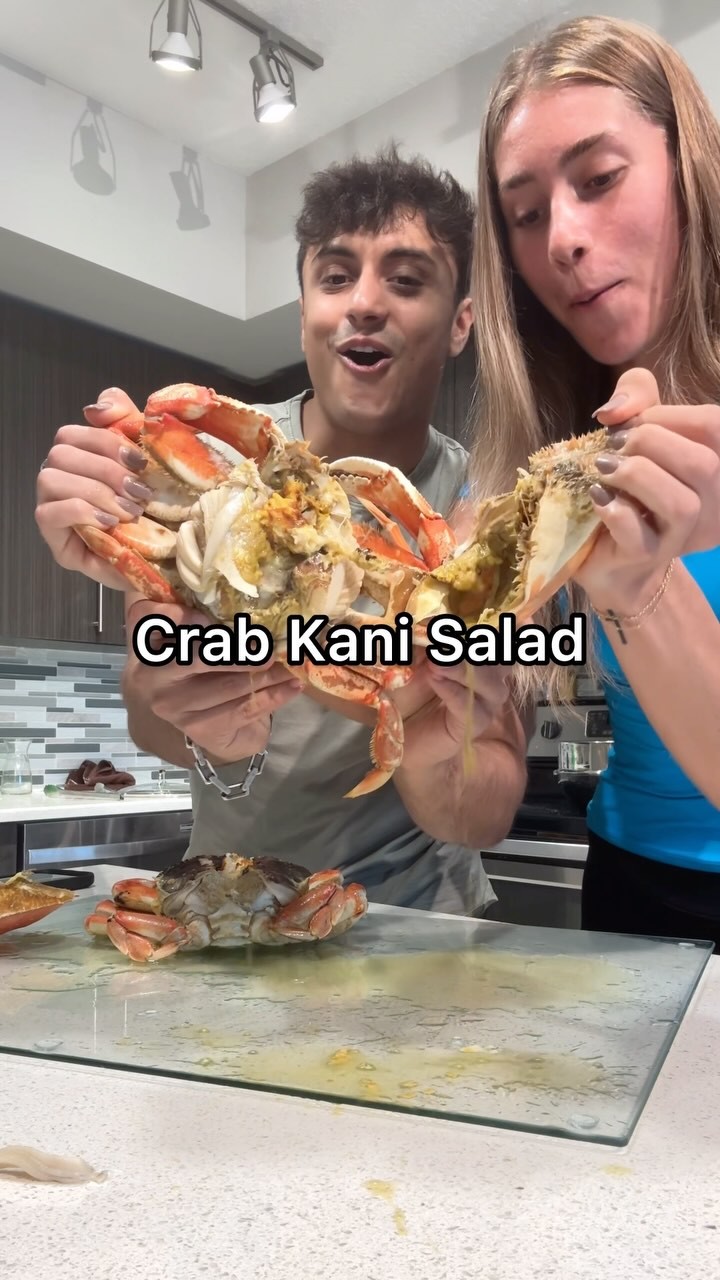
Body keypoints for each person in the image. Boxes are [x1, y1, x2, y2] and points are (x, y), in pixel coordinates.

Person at [34, 145, 531, 917]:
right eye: (335, 276)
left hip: (417, 922)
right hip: (231, 908)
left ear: (461, 321)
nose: (364, 303)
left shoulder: (484, 515)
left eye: (406, 280)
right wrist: (191, 712)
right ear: (304, 316)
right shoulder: (215, 465)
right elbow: (147, 694)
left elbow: (487, 810)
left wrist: (427, 745)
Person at [468, 15, 720, 945]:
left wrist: (642, 590)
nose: (562, 240)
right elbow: (467, 781)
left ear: (688, 167)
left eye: (600, 178)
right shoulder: (560, 459)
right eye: (527, 215)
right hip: (627, 895)